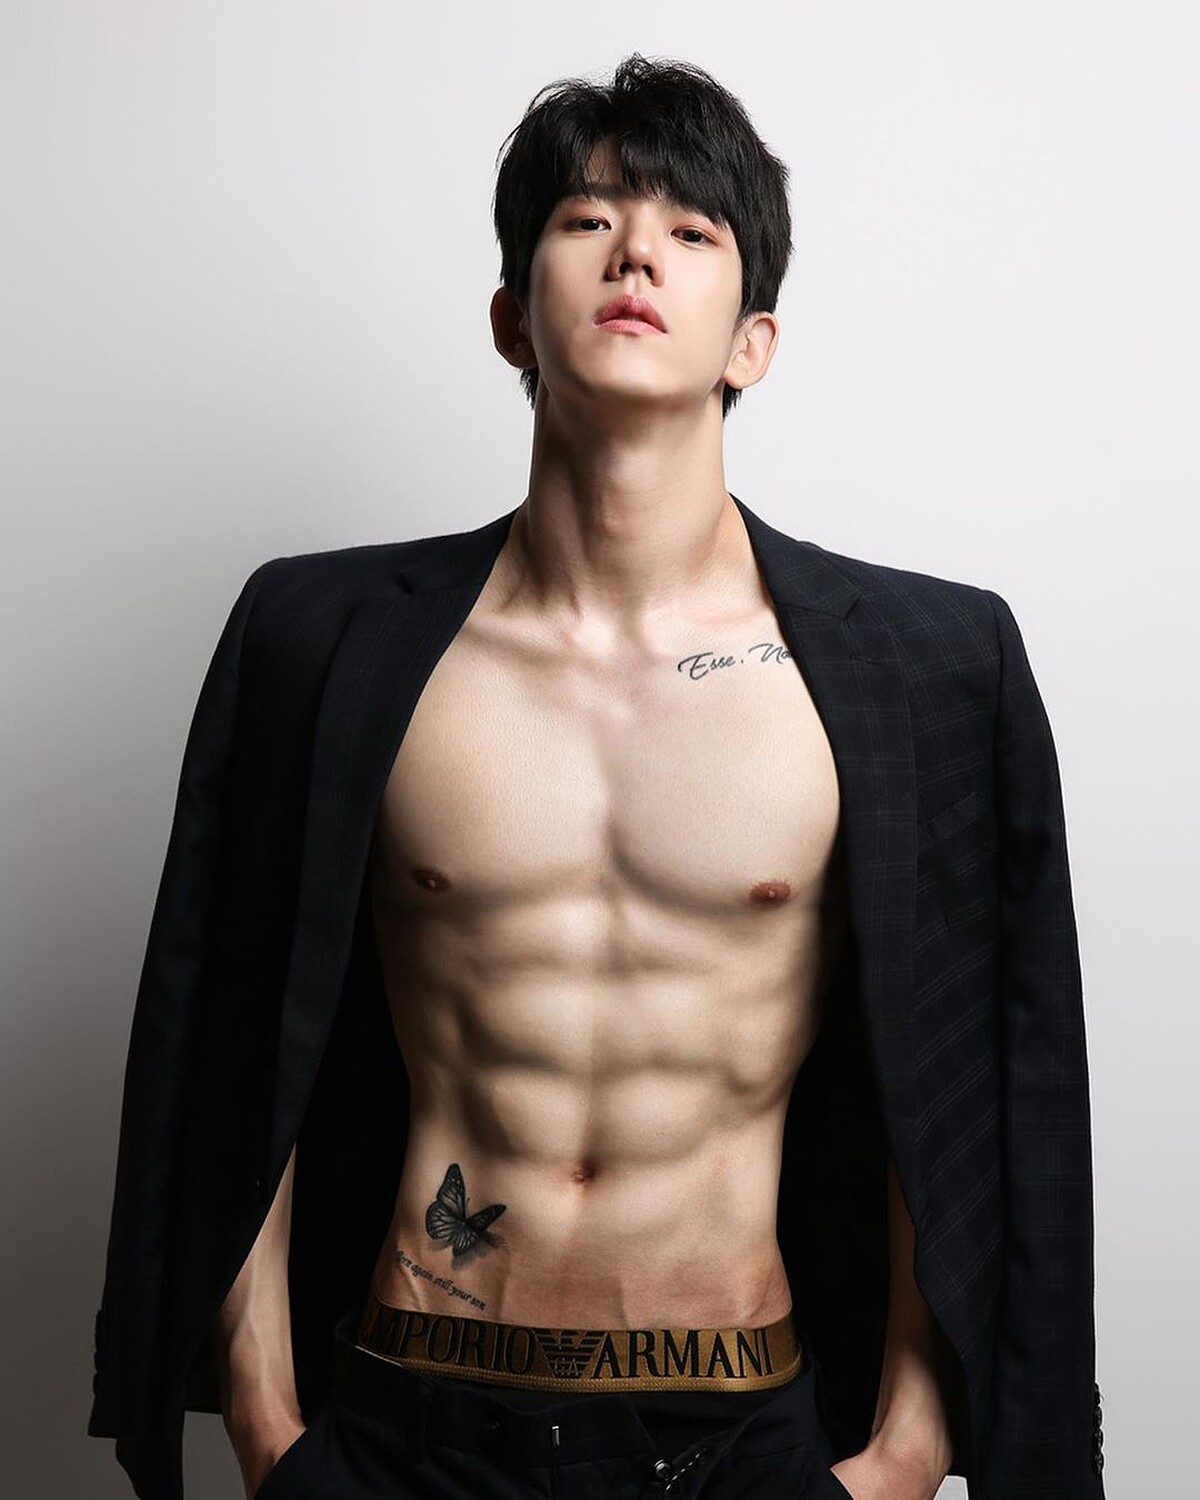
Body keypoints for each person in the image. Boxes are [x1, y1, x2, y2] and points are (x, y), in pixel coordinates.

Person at [88, 54, 1105, 1500]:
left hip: (740, 1434)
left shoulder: (929, 667)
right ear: (513, 314)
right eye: (587, 219)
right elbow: (230, 1031)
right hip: (408, 1417)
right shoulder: (322, 640)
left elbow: (978, 1072)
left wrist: (907, 1448)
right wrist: (267, 1429)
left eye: (691, 230)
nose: (636, 251)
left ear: (753, 341)